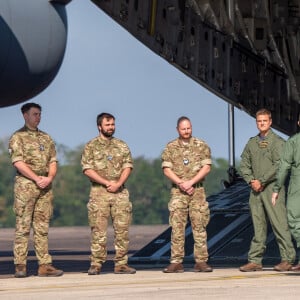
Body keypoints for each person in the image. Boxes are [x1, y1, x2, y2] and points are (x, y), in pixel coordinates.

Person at [8, 102, 63, 278]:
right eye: (34, 114)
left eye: (39, 114)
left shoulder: (46, 138)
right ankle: (20, 265)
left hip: (45, 186)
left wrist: (49, 178)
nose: (38, 117)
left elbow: (53, 161)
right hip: (26, 185)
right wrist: (36, 178)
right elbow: (18, 162)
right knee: (23, 226)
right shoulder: (18, 137)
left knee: (42, 227)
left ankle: (44, 265)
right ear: (25, 115)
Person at [239, 108, 295, 272]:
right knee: (258, 226)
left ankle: (287, 259)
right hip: (255, 190)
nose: (261, 124)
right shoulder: (252, 143)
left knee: (279, 224)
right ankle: (255, 260)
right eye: (259, 121)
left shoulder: (278, 143)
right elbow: (244, 165)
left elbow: (280, 165)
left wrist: (262, 181)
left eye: (264, 121)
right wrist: (251, 181)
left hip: (272, 189)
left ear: (270, 122)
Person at [81, 112, 136, 275]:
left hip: (120, 193)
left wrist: (118, 183)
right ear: (99, 127)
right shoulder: (91, 146)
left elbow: (128, 166)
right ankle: (96, 264)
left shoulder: (121, 145)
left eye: (112, 124)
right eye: (107, 125)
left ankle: (121, 263)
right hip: (99, 193)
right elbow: (87, 169)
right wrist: (106, 183)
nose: (111, 127)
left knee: (122, 230)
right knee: (98, 230)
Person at [161, 116, 212, 273]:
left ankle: (201, 261)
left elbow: (207, 167)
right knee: (177, 227)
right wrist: (181, 183)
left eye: (188, 128)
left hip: (197, 191)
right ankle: (176, 261)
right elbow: (166, 169)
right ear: (177, 129)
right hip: (178, 192)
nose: (186, 131)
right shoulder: (170, 147)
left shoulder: (201, 145)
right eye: (183, 129)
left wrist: (191, 182)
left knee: (200, 226)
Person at [272, 114, 300, 271]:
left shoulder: (293, 142)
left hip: (297, 185)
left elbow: (284, 167)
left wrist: (276, 189)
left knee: (295, 219)